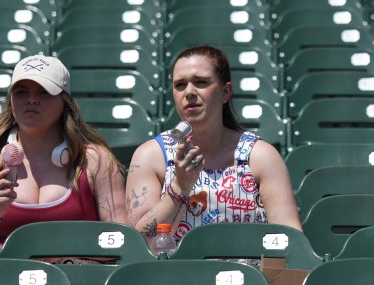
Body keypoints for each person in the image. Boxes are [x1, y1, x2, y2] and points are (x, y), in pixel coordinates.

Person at [125, 45, 302, 245]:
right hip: (174, 274)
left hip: (246, 275)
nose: (189, 92)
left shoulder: (261, 156)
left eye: (200, 82)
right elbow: (137, 242)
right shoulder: (150, 155)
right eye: (180, 85)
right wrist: (179, 188)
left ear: (225, 92)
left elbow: (291, 240)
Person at [0, 54, 127, 249]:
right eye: (21, 92)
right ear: (10, 100)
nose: (32, 100)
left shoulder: (95, 160)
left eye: (44, 92)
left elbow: (121, 240)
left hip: (77, 276)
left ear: (64, 101)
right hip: (3, 276)